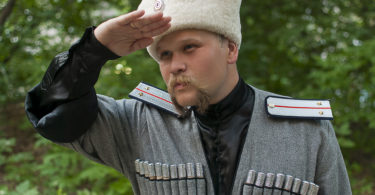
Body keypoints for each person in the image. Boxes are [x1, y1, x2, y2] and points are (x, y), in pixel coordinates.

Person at [25, 0, 352, 194]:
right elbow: (53, 112)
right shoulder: (138, 124)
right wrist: (95, 48)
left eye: (189, 48)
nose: (174, 65)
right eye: (164, 54)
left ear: (231, 48)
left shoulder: (307, 132)